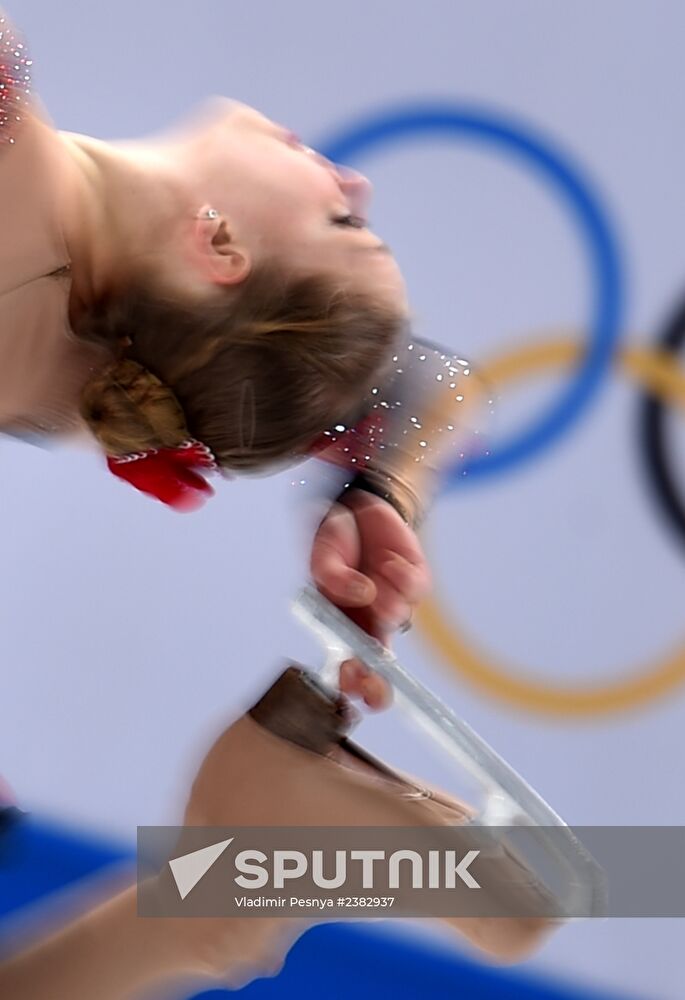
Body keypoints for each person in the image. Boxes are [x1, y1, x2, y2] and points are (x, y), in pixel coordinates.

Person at [0, 7, 489, 992]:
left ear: (216, 242)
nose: (354, 180)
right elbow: (423, 387)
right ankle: (207, 914)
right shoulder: (85, 365)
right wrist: (379, 488)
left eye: (342, 220)